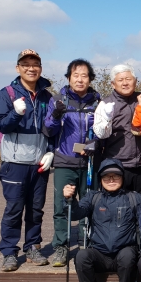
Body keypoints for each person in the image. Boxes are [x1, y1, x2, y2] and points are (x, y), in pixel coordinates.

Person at [0, 49, 54, 272]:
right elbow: (1, 126)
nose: (31, 68)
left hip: (39, 162)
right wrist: (16, 113)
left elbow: (53, 129)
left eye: (35, 64)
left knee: (36, 209)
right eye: (26, 64)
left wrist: (51, 151)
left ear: (41, 67)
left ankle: (32, 247)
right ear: (17, 67)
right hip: (15, 163)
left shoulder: (47, 96)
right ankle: (9, 252)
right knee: (14, 208)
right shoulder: (7, 93)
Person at [66, 158, 141, 282]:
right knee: (81, 256)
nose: (111, 180)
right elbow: (76, 213)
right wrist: (70, 199)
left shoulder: (133, 197)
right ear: (101, 179)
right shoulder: (93, 197)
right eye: (107, 177)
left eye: (116, 176)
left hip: (123, 252)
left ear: (122, 178)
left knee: (128, 255)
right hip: (99, 252)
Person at [44, 59, 101, 267]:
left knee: (90, 204)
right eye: (75, 75)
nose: (79, 79)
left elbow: (102, 131)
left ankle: (87, 242)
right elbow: (48, 130)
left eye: (84, 75)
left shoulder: (97, 101)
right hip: (64, 161)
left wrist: (94, 144)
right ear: (68, 77)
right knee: (61, 205)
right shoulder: (58, 100)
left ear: (90, 79)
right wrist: (56, 114)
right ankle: (61, 246)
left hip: (89, 162)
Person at [93, 64, 141, 194]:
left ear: (135, 81)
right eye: (120, 80)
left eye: (128, 79)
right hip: (117, 164)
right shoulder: (106, 103)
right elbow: (100, 134)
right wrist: (107, 118)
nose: (125, 83)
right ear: (113, 84)